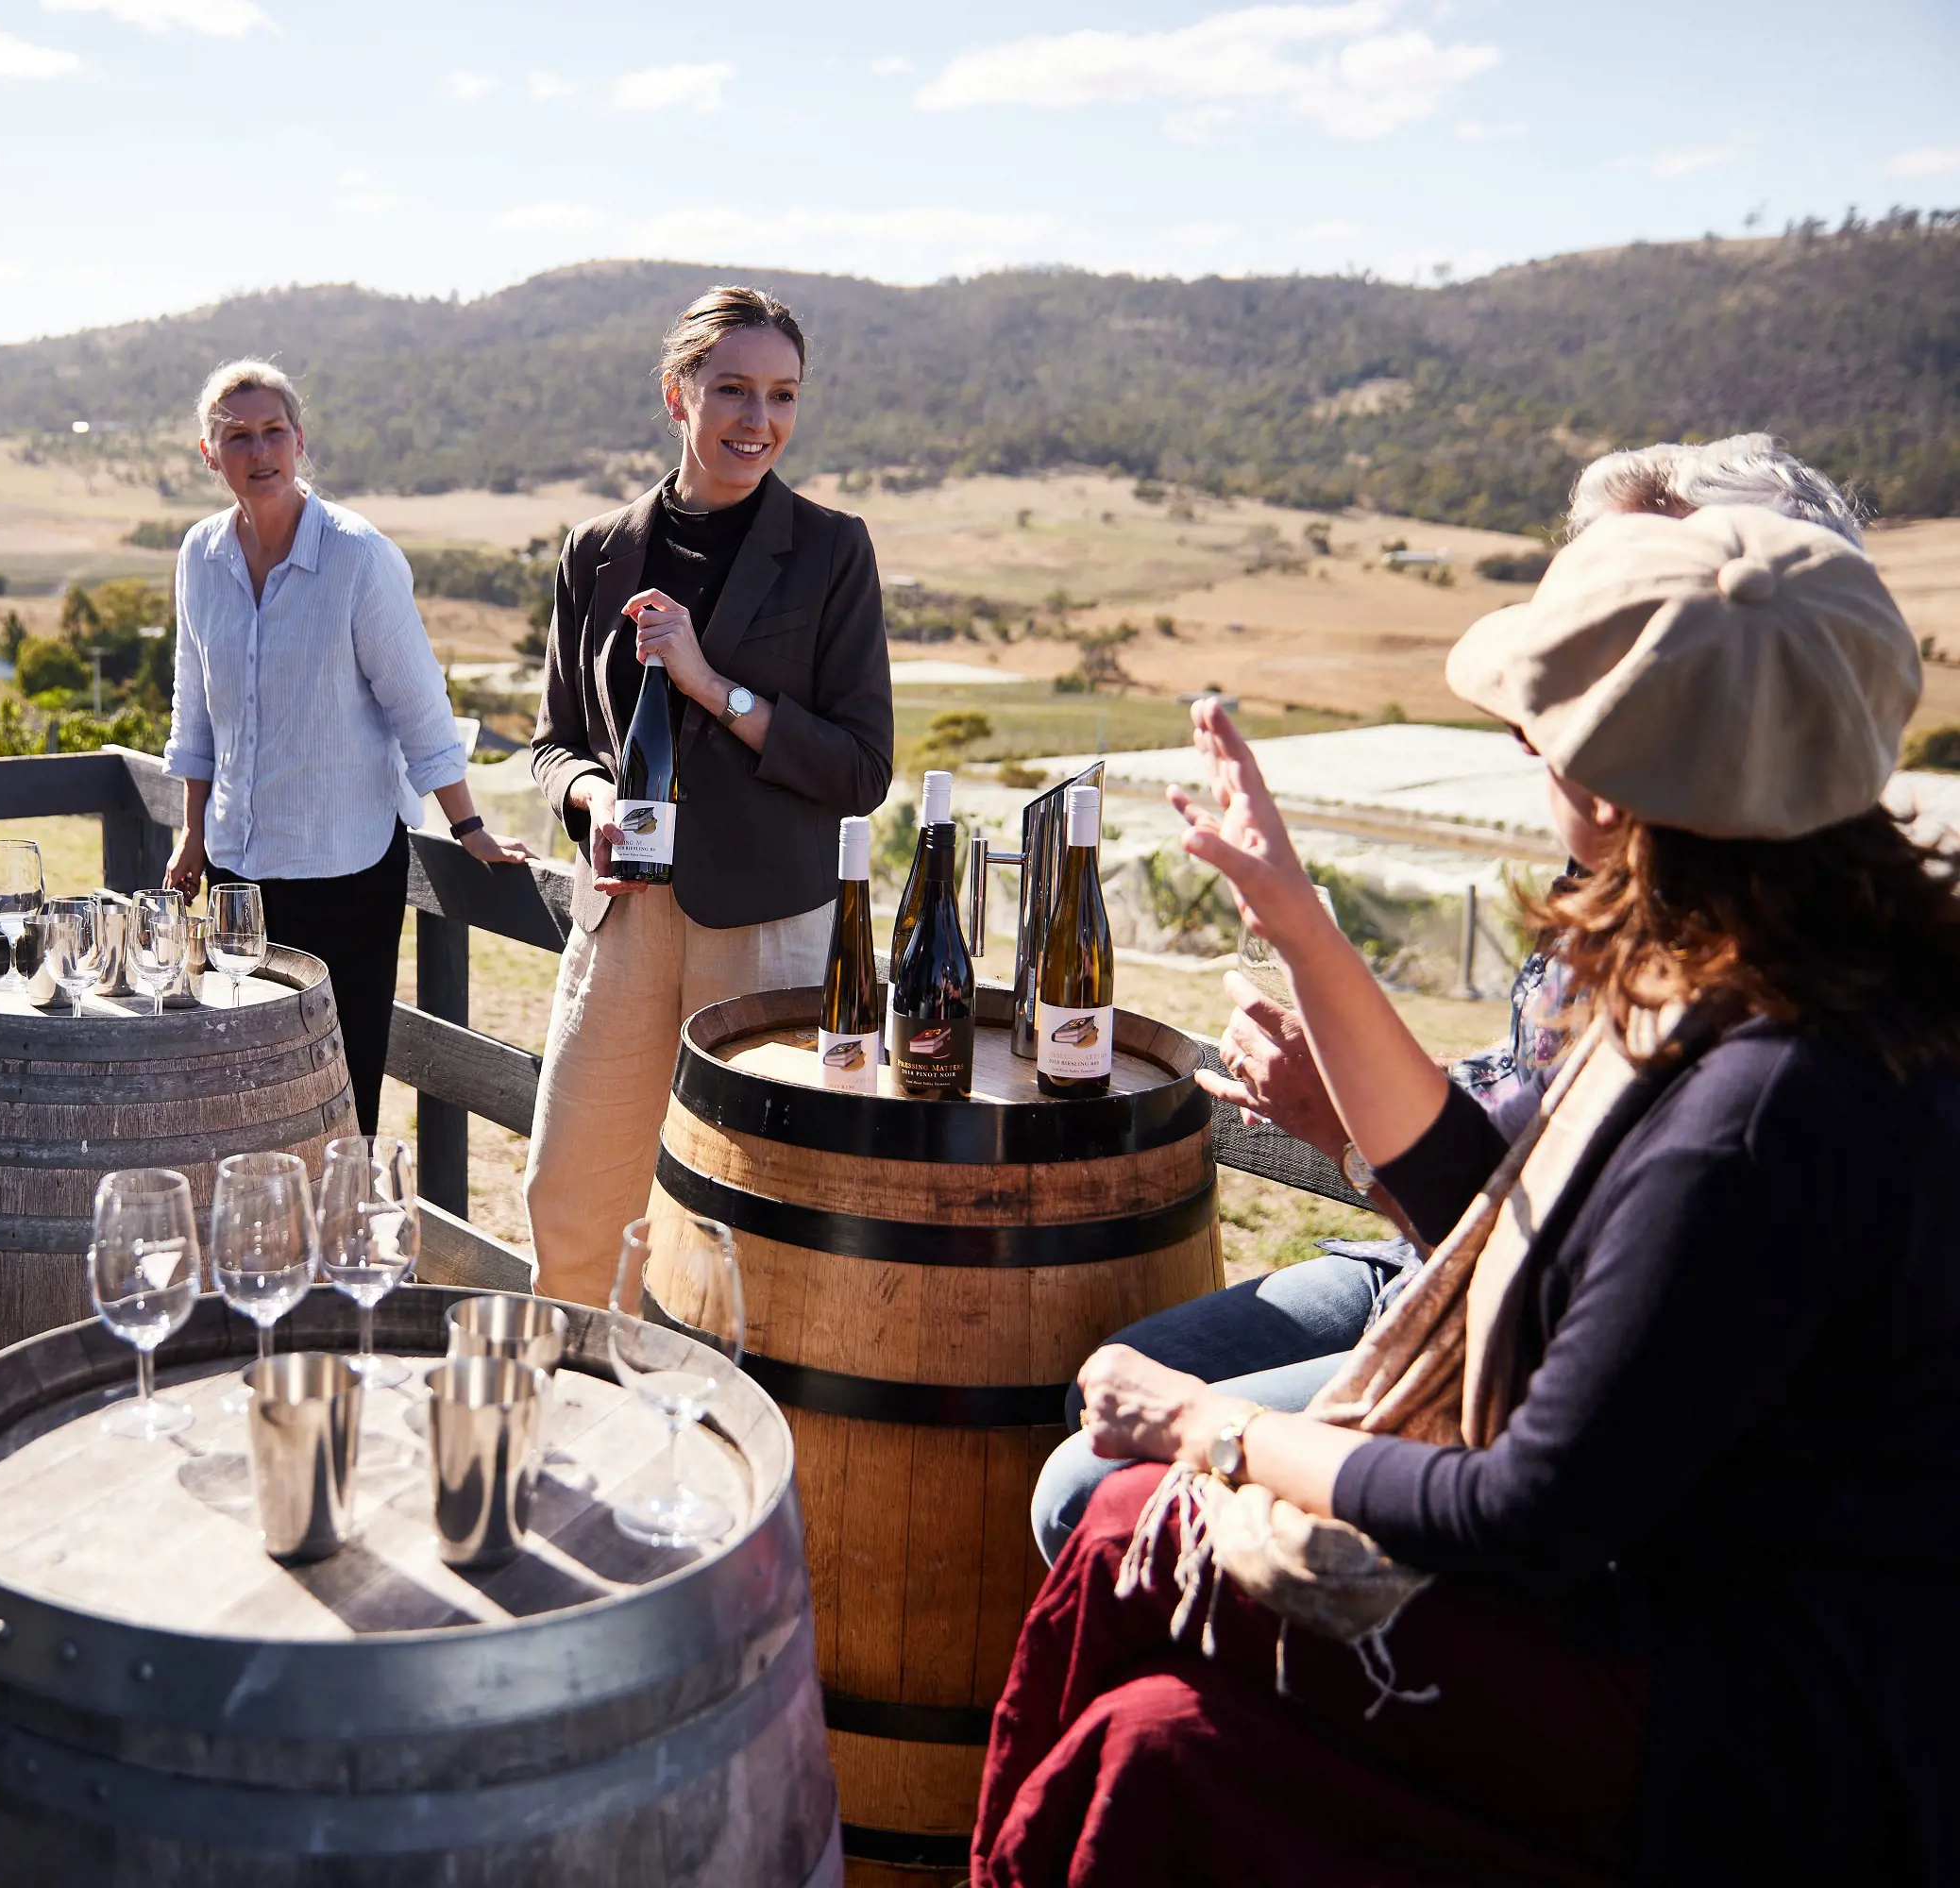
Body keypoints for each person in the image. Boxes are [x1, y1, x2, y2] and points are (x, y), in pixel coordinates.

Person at [976, 505, 1956, 1886]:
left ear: (1610, 794)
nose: (1523, 750)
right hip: (1691, 1610)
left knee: (1144, 1643)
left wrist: (1212, 1431)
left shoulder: (1763, 1110)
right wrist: (1295, 912)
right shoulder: (1783, 976)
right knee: (1135, 1573)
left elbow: (1525, 1514)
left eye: (1533, 730)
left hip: (1744, 1723)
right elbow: (1485, 1205)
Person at [1028, 433, 1873, 1563]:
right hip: (1455, 1270)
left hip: (1505, 1347)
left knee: (1093, 1490)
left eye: (1595, 659)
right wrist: (1302, 930)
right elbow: (1508, 1169)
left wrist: (1215, 1421)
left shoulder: (1766, 1063)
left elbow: (1535, 1410)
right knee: (1092, 1419)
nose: (1526, 723)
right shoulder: (1676, 912)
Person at [521, 286, 894, 1303]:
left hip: (770, 931)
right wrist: (595, 801)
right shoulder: (595, 551)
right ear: (677, 395)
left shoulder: (832, 550)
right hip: (625, 923)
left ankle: (717, 1437)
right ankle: (577, 1420)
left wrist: (713, 686)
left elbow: (863, 769)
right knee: (572, 1196)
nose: (757, 420)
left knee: (748, 1221)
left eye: (781, 395)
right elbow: (554, 741)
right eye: (731, 389)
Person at [159, 359, 532, 1134]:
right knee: (242, 1085)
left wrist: (469, 828)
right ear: (208, 453)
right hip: (236, 872)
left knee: (338, 1088)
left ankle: (340, 1245)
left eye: (273, 434)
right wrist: (192, 833)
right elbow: (193, 711)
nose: (259, 453)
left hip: (345, 871)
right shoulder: (199, 556)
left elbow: (422, 711)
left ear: (298, 441)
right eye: (237, 438)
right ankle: (260, 1248)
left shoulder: (358, 559)